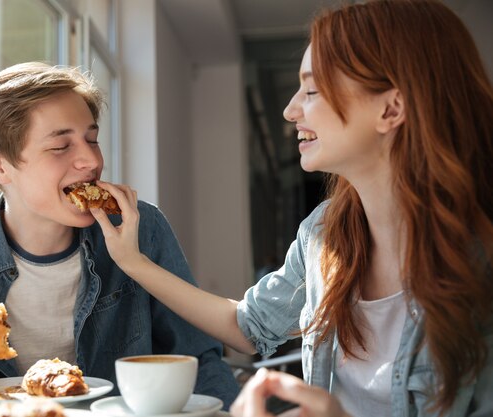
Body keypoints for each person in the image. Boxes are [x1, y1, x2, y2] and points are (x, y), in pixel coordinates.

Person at [90, 0, 493, 416]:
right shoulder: (324, 233)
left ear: (390, 108)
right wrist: (133, 262)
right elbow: (246, 327)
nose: (290, 110)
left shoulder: (480, 264)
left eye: (313, 90)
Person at [0, 62, 239, 407]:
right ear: (0, 166)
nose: (90, 160)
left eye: (92, 139)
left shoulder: (139, 227)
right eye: (61, 147)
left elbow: (200, 362)